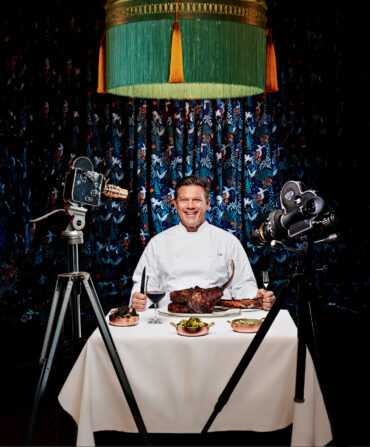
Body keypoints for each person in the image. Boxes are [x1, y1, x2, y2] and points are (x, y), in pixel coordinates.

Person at [130, 175, 276, 312]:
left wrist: (258, 296)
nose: (190, 206)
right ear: (174, 204)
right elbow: (144, 287)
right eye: (184, 200)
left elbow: (243, 285)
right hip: (169, 322)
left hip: (219, 321)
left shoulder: (228, 242)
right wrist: (138, 299)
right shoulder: (158, 243)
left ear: (207, 204)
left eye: (197, 200)